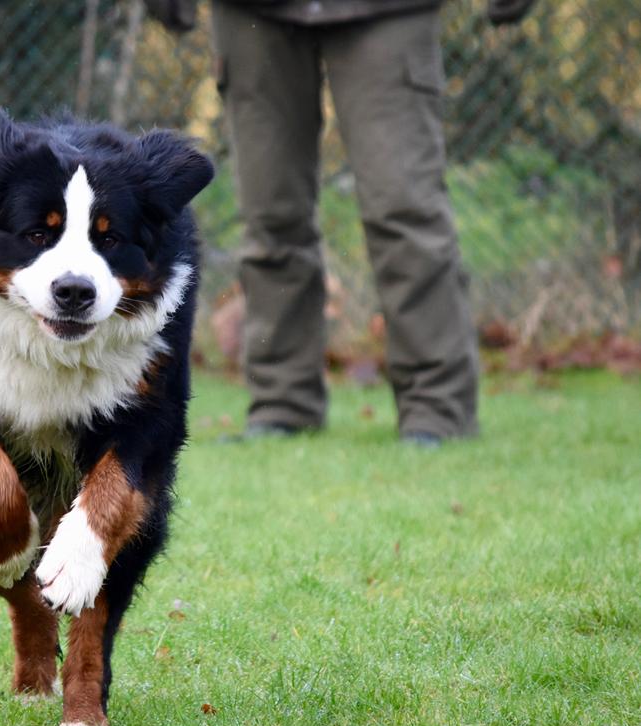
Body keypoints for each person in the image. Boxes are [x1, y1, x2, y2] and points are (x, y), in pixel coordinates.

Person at [146, 0, 533, 446]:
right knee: (270, 214)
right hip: (253, 11)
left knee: (405, 210)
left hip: (388, 12)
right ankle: (282, 403)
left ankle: (438, 409)